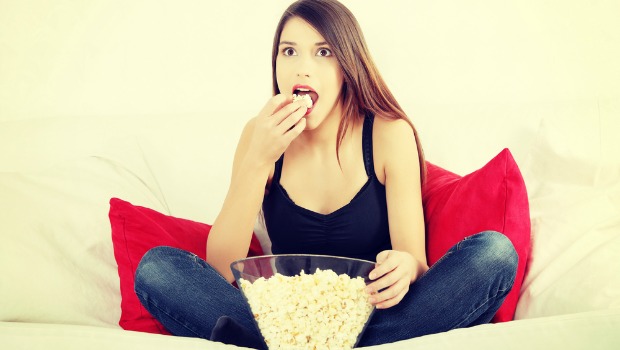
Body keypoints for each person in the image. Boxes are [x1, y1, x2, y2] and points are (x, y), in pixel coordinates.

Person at [134, 0, 518, 348]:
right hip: (282, 319)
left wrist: (405, 268)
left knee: (494, 255)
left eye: (323, 52)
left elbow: (414, 259)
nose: (303, 66)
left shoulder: (388, 133)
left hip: (375, 316)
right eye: (289, 51)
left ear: (347, 65)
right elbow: (221, 267)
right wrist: (257, 160)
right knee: (157, 268)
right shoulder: (259, 133)